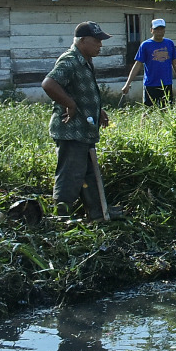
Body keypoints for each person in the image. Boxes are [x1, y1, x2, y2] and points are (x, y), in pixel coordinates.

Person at [41, 21, 114, 221]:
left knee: (88, 174)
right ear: (82, 41)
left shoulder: (85, 60)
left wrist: (98, 110)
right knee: (70, 174)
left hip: (84, 129)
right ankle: (61, 216)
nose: (100, 45)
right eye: (96, 41)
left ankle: (97, 213)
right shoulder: (71, 60)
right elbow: (49, 84)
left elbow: (81, 91)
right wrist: (70, 105)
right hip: (71, 130)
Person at [120, 19, 176, 106]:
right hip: (150, 84)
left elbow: (175, 64)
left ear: (164, 30)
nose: (159, 31)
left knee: (167, 110)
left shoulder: (170, 43)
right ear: (151, 30)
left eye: (161, 29)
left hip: (166, 83)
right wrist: (127, 84)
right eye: (157, 29)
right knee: (148, 111)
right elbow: (137, 64)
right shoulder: (145, 45)